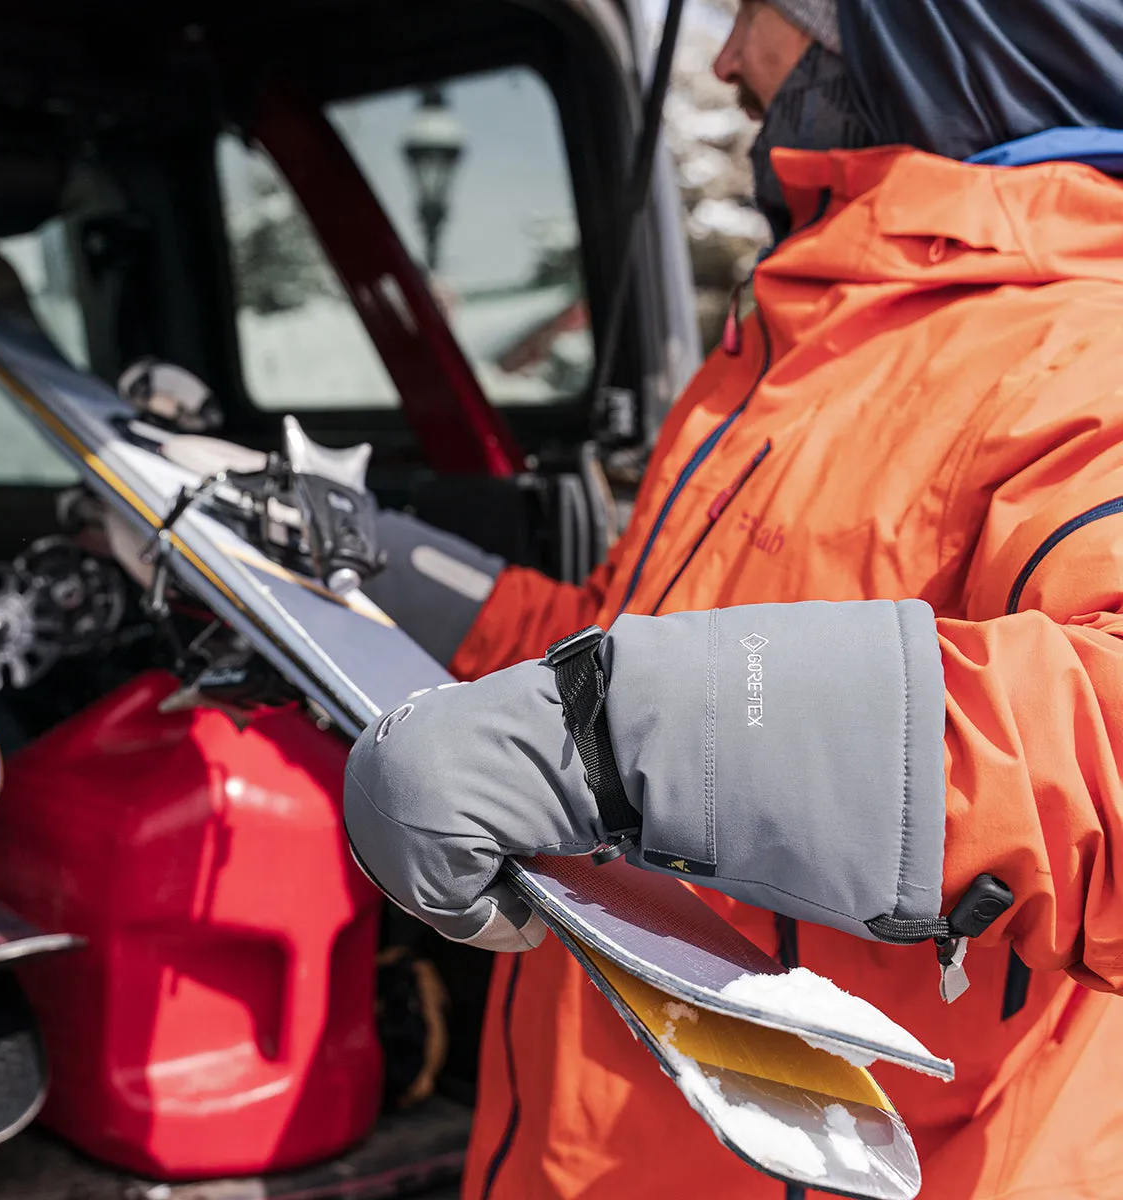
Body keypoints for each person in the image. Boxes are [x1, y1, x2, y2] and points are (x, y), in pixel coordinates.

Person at [346, 1, 1123, 1196]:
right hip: (585, 1143)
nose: (723, 59)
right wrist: (374, 572)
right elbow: (614, 648)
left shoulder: (1085, 342)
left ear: (905, 33)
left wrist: (618, 738)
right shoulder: (789, 344)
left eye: (758, 9)